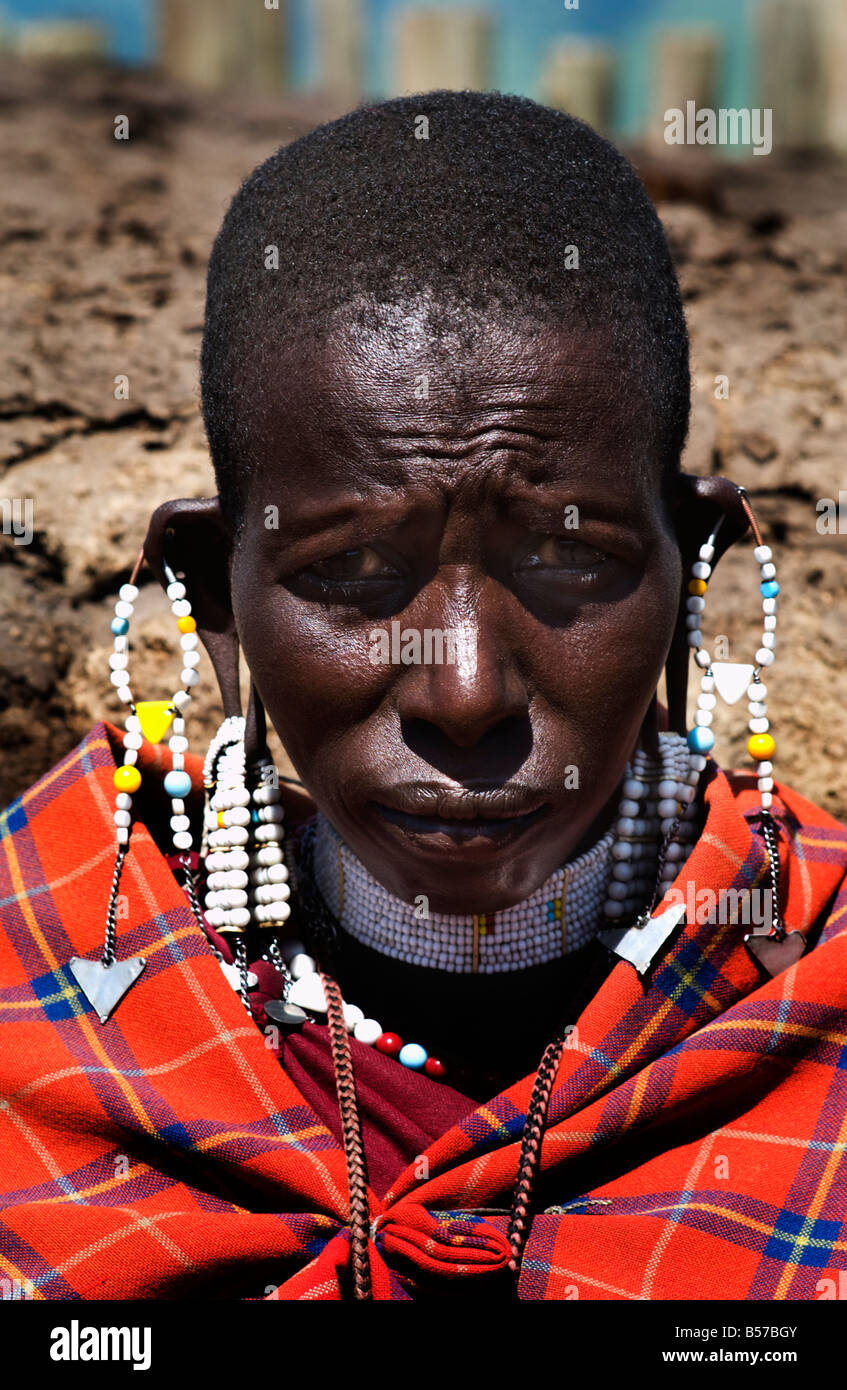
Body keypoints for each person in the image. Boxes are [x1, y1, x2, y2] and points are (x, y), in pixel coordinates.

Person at [1, 91, 845, 1303]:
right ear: (216, 601)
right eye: (345, 572)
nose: (463, 694)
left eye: (568, 559)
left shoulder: (811, 991)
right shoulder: (50, 975)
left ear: (691, 570)